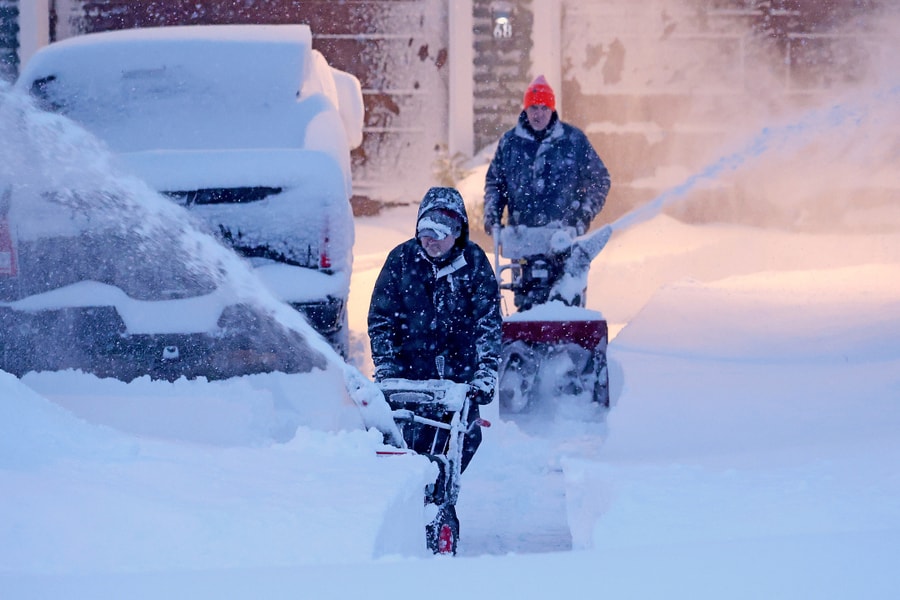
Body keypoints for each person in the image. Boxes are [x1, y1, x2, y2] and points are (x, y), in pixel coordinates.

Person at [368, 186, 501, 475]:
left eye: (440, 232)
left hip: (458, 378)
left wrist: (485, 373)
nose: (431, 239)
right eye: (425, 230)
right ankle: (413, 494)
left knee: (464, 440)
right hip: (408, 377)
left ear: (457, 232)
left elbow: (487, 323)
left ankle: (440, 492)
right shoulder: (401, 261)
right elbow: (381, 320)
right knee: (407, 444)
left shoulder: (474, 264)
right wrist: (387, 367)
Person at [483, 75, 612, 309]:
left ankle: (568, 343)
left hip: (564, 238)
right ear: (526, 109)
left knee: (566, 303)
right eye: (533, 107)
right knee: (527, 307)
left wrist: (582, 216)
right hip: (523, 239)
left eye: (544, 107)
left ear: (552, 109)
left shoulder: (573, 141)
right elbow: (495, 183)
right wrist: (492, 216)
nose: (538, 114)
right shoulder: (510, 144)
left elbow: (600, 179)